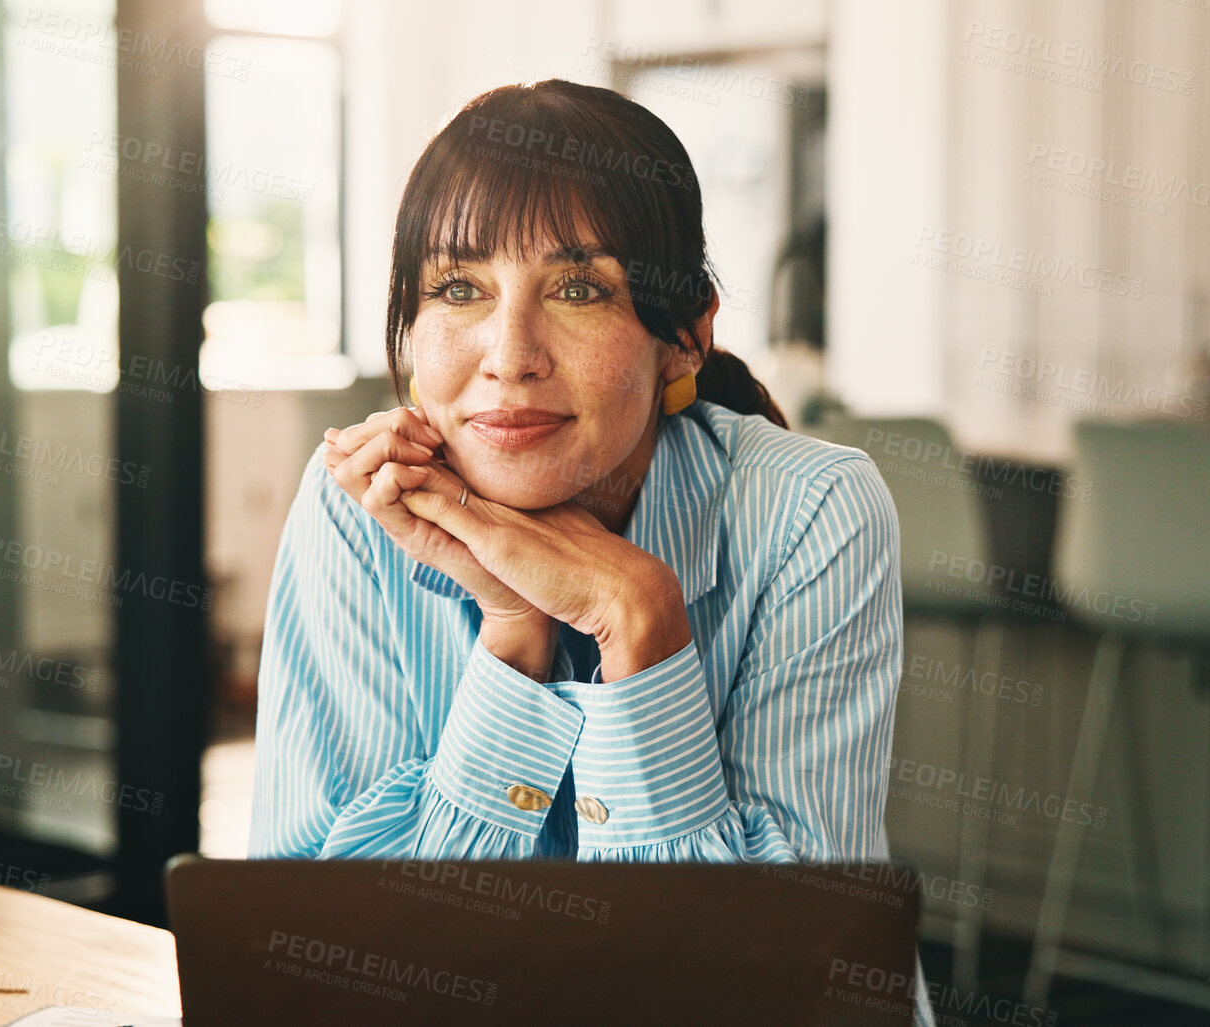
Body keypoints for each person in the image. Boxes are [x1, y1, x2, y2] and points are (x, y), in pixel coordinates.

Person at [248, 79, 903, 869]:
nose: (510, 357)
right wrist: (512, 630)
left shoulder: (811, 508)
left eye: (577, 289)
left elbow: (778, 959)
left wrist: (636, 616)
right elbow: (325, 938)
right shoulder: (361, 503)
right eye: (459, 289)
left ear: (687, 335)